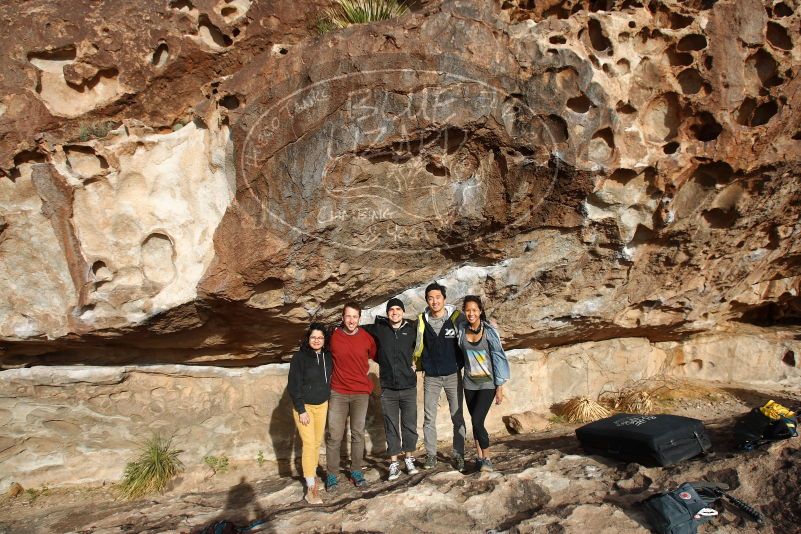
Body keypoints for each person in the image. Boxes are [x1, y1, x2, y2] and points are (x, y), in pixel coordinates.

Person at [412, 282, 467, 471]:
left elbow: (473, 328)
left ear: (444, 298)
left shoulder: (457, 318)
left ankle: (459, 455)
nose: (434, 301)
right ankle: (431, 455)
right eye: (430, 298)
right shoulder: (421, 320)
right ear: (427, 300)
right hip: (432, 376)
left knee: (457, 416)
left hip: (453, 374)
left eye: (437, 297)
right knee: (429, 418)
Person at [363, 297, 419, 481]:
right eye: (391, 310)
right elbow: (357, 331)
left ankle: (409, 459)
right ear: (387, 313)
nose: (394, 312)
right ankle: (394, 463)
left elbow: (423, 348)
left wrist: (418, 363)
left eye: (398, 309)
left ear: (403, 312)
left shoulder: (412, 329)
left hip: (409, 386)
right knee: (391, 426)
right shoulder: (379, 329)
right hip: (388, 387)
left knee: (409, 424)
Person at [325, 302, 377, 490]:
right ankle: (332, 474)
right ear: (342, 317)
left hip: (360, 393)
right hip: (338, 391)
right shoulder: (334, 337)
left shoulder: (366, 338)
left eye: (355, 317)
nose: (351, 320)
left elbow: (373, 354)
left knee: (357, 433)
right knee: (334, 435)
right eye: (348, 316)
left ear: (359, 319)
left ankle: (356, 470)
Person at [457, 295, 510, 472]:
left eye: (474, 310)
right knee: (475, 422)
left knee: (478, 420)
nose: (471, 313)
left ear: (480, 311)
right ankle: (479, 458)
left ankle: (487, 458)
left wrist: (499, 387)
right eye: (468, 310)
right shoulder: (461, 330)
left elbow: (497, 357)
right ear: (464, 312)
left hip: (487, 384)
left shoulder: (489, 331)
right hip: (469, 384)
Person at [287, 323, 333, 504]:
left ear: (324, 340)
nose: (316, 340)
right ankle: (310, 487)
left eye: (320, 338)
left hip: (322, 405)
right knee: (308, 443)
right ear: (308, 338)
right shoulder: (299, 357)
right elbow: (294, 384)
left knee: (316, 444)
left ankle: (312, 476)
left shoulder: (327, 356)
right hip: (305, 407)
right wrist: (301, 409)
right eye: (313, 337)